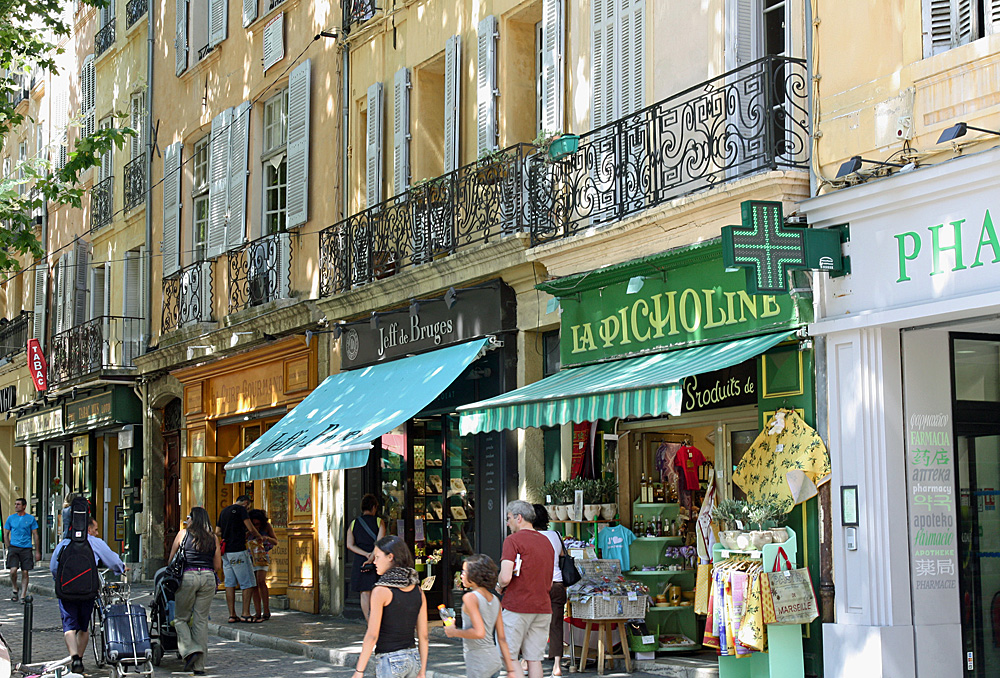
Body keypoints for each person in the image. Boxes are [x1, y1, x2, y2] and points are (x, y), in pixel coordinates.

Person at [50, 517, 126, 674]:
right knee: (84, 627)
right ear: (89, 529)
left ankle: (74, 658)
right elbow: (112, 560)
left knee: (69, 627)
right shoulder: (95, 543)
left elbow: (53, 567)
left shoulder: (64, 543)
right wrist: (121, 568)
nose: (97, 533)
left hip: (67, 592)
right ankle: (80, 658)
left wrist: (60, 582)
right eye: (96, 529)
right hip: (87, 591)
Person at [353, 535, 428, 678]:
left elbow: (372, 635)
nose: (374, 562)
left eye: (377, 557)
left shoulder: (381, 590)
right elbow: (423, 636)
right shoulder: (418, 590)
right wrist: (422, 670)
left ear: (390, 557)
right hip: (413, 658)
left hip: (389, 659)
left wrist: (359, 671)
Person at [496, 500, 553, 678]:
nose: (507, 523)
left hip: (517, 606)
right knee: (534, 659)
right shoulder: (546, 542)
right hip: (542, 606)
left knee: (508, 656)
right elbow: (549, 582)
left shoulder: (512, 540)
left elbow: (505, 576)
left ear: (518, 518)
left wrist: (498, 585)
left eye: (509, 518)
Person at [443, 554, 520, 678]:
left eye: (464, 571)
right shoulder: (495, 600)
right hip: (494, 661)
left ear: (474, 575)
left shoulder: (470, 598)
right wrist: (510, 670)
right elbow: (502, 638)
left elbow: (479, 632)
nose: (461, 575)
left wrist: (454, 632)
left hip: (478, 663)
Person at [168, 507, 221, 675]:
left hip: (188, 576)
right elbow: (217, 566)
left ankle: (190, 649)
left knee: (181, 619)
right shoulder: (213, 538)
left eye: (188, 517)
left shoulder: (183, 534)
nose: (187, 520)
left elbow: (171, 560)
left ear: (193, 519)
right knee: (200, 620)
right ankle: (199, 666)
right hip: (208, 578)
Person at [215, 495, 262, 624]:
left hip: (226, 552)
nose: (248, 508)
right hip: (238, 550)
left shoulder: (224, 511)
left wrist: (229, 531)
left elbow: (217, 532)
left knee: (229, 583)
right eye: (248, 506)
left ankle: (232, 614)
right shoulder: (241, 510)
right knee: (248, 582)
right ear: (246, 503)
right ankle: (245, 614)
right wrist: (259, 537)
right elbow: (251, 527)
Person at [532, 504, 566, 677]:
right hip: (557, 583)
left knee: (533, 624)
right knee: (556, 625)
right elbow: (562, 556)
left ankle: (528, 661)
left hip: (537, 585)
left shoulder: (529, 537)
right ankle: (557, 666)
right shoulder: (556, 535)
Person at [346, 493, 386, 620]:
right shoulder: (379, 522)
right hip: (377, 561)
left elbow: (349, 545)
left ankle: (370, 623)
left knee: (364, 593)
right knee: (378, 591)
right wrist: (372, 556)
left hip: (360, 561)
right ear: (374, 507)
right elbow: (379, 543)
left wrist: (365, 555)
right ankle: (377, 621)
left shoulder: (353, 523)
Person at [4, 498, 40, 603]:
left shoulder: (30, 519)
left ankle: (23, 595)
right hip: (14, 547)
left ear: (24, 506)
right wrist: (8, 547)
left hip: (26, 548)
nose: (16, 506)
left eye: (18, 504)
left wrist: (37, 551)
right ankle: (15, 588)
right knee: (13, 571)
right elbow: (6, 534)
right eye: (15, 504)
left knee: (25, 572)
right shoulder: (11, 518)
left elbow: (35, 535)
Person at [247, 508, 278, 621]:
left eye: (258, 524)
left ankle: (266, 610)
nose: (257, 526)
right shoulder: (247, 527)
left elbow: (275, 541)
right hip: (250, 556)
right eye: (254, 524)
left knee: (261, 581)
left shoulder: (267, 527)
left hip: (262, 556)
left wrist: (267, 538)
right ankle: (258, 612)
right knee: (254, 584)